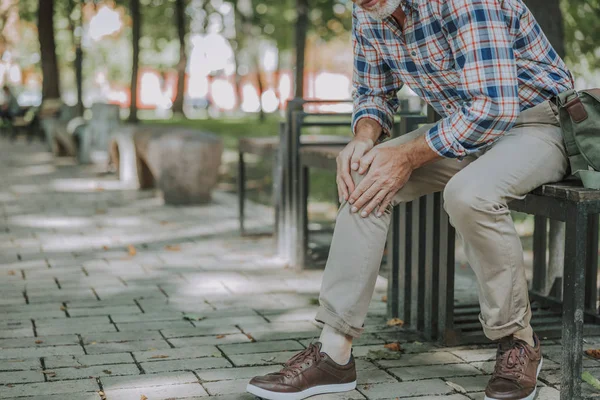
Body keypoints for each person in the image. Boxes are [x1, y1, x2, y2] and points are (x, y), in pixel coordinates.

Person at [247, 0, 573, 399]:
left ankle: (518, 341)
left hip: (538, 124)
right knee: (363, 177)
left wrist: (406, 155)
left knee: (469, 194)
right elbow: (373, 91)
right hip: (463, 125)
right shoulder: (368, 9)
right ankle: (334, 354)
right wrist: (364, 137)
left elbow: (494, 106)